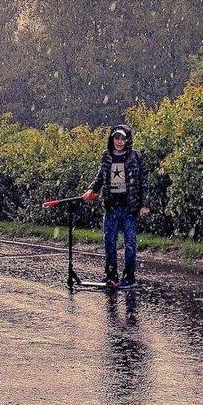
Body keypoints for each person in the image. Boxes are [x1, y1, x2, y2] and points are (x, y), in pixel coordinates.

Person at [82, 123, 149, 287]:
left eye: (122, 139)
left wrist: (144, 204)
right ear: (112, 139)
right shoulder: (106, 156)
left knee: (130, 242)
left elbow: (143, 182)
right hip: (111, 206)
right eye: (116, 138)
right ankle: (111, 274)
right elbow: (100, 177)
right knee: (109, 241)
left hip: (130, 207)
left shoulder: (135, 156)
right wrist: (91, 190)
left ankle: (129, 276)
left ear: (127, 140)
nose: (119, 142)